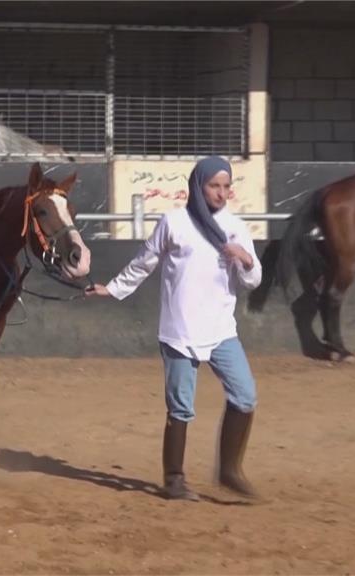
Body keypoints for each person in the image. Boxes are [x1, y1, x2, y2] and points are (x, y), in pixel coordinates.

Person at [87, 156, 262, 501]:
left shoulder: (236, 227)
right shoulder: (174, 222)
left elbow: (252, 280)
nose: (222, 193)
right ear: (199, 186)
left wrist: (245, 258)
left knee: (245, 395)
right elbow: (145, 261)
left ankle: (229, 470)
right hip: (180, 330)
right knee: (181, 406)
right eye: (215, 186)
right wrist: (113, 288)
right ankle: (175, 479)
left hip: (221, 329)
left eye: (227, 187)